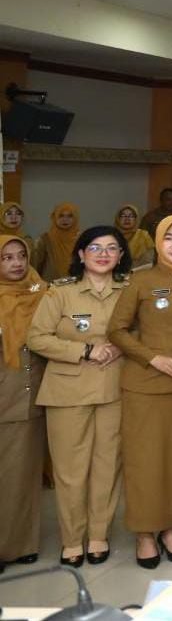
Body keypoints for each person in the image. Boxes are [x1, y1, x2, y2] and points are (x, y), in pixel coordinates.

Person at [107, 215, 172, 569]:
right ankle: (144, 533)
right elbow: (117, 330)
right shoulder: (141, 279)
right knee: (143, 462)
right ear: (157, 242)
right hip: (145, 386)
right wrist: (153, 358)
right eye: (169, 238)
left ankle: (169, 529)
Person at [28, 226, 129, 568]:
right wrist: (84, 350)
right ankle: (72, 539)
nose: (103, 254)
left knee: (107, 466)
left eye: (112, 248)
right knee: (70, 472)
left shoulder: (128, 292)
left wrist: (123, 346)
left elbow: (141, 332)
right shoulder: (60, 294)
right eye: (95, 248)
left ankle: (99, 534)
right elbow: (37, 338)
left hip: (115, 389)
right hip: (67, 391)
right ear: (82, 254)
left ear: (120, 256)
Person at [0, 236, 49, 571]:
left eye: (20, 256)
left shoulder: (43, 293)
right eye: (6, 258)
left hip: (31, 395)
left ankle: (20, 544)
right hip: (5, 392)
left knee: (22, 474)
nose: (16, 263)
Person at [33, 202, 81, 282]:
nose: (65, 219)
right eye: (61, 216)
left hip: (75, 286)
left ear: (75, 218)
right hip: (50, 286)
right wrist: (35, 287)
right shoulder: (45, 239)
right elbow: (36, 266)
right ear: (54, 218)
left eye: (70, 216)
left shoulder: (81, 239)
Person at [114, 204, 154, 269]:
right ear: (118, 219)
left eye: (131, 216)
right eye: (123, 216)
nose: (127, 219)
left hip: (139, 272)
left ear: (136, 219)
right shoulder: (111, 235)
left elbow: (149, 261)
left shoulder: (143, 235)